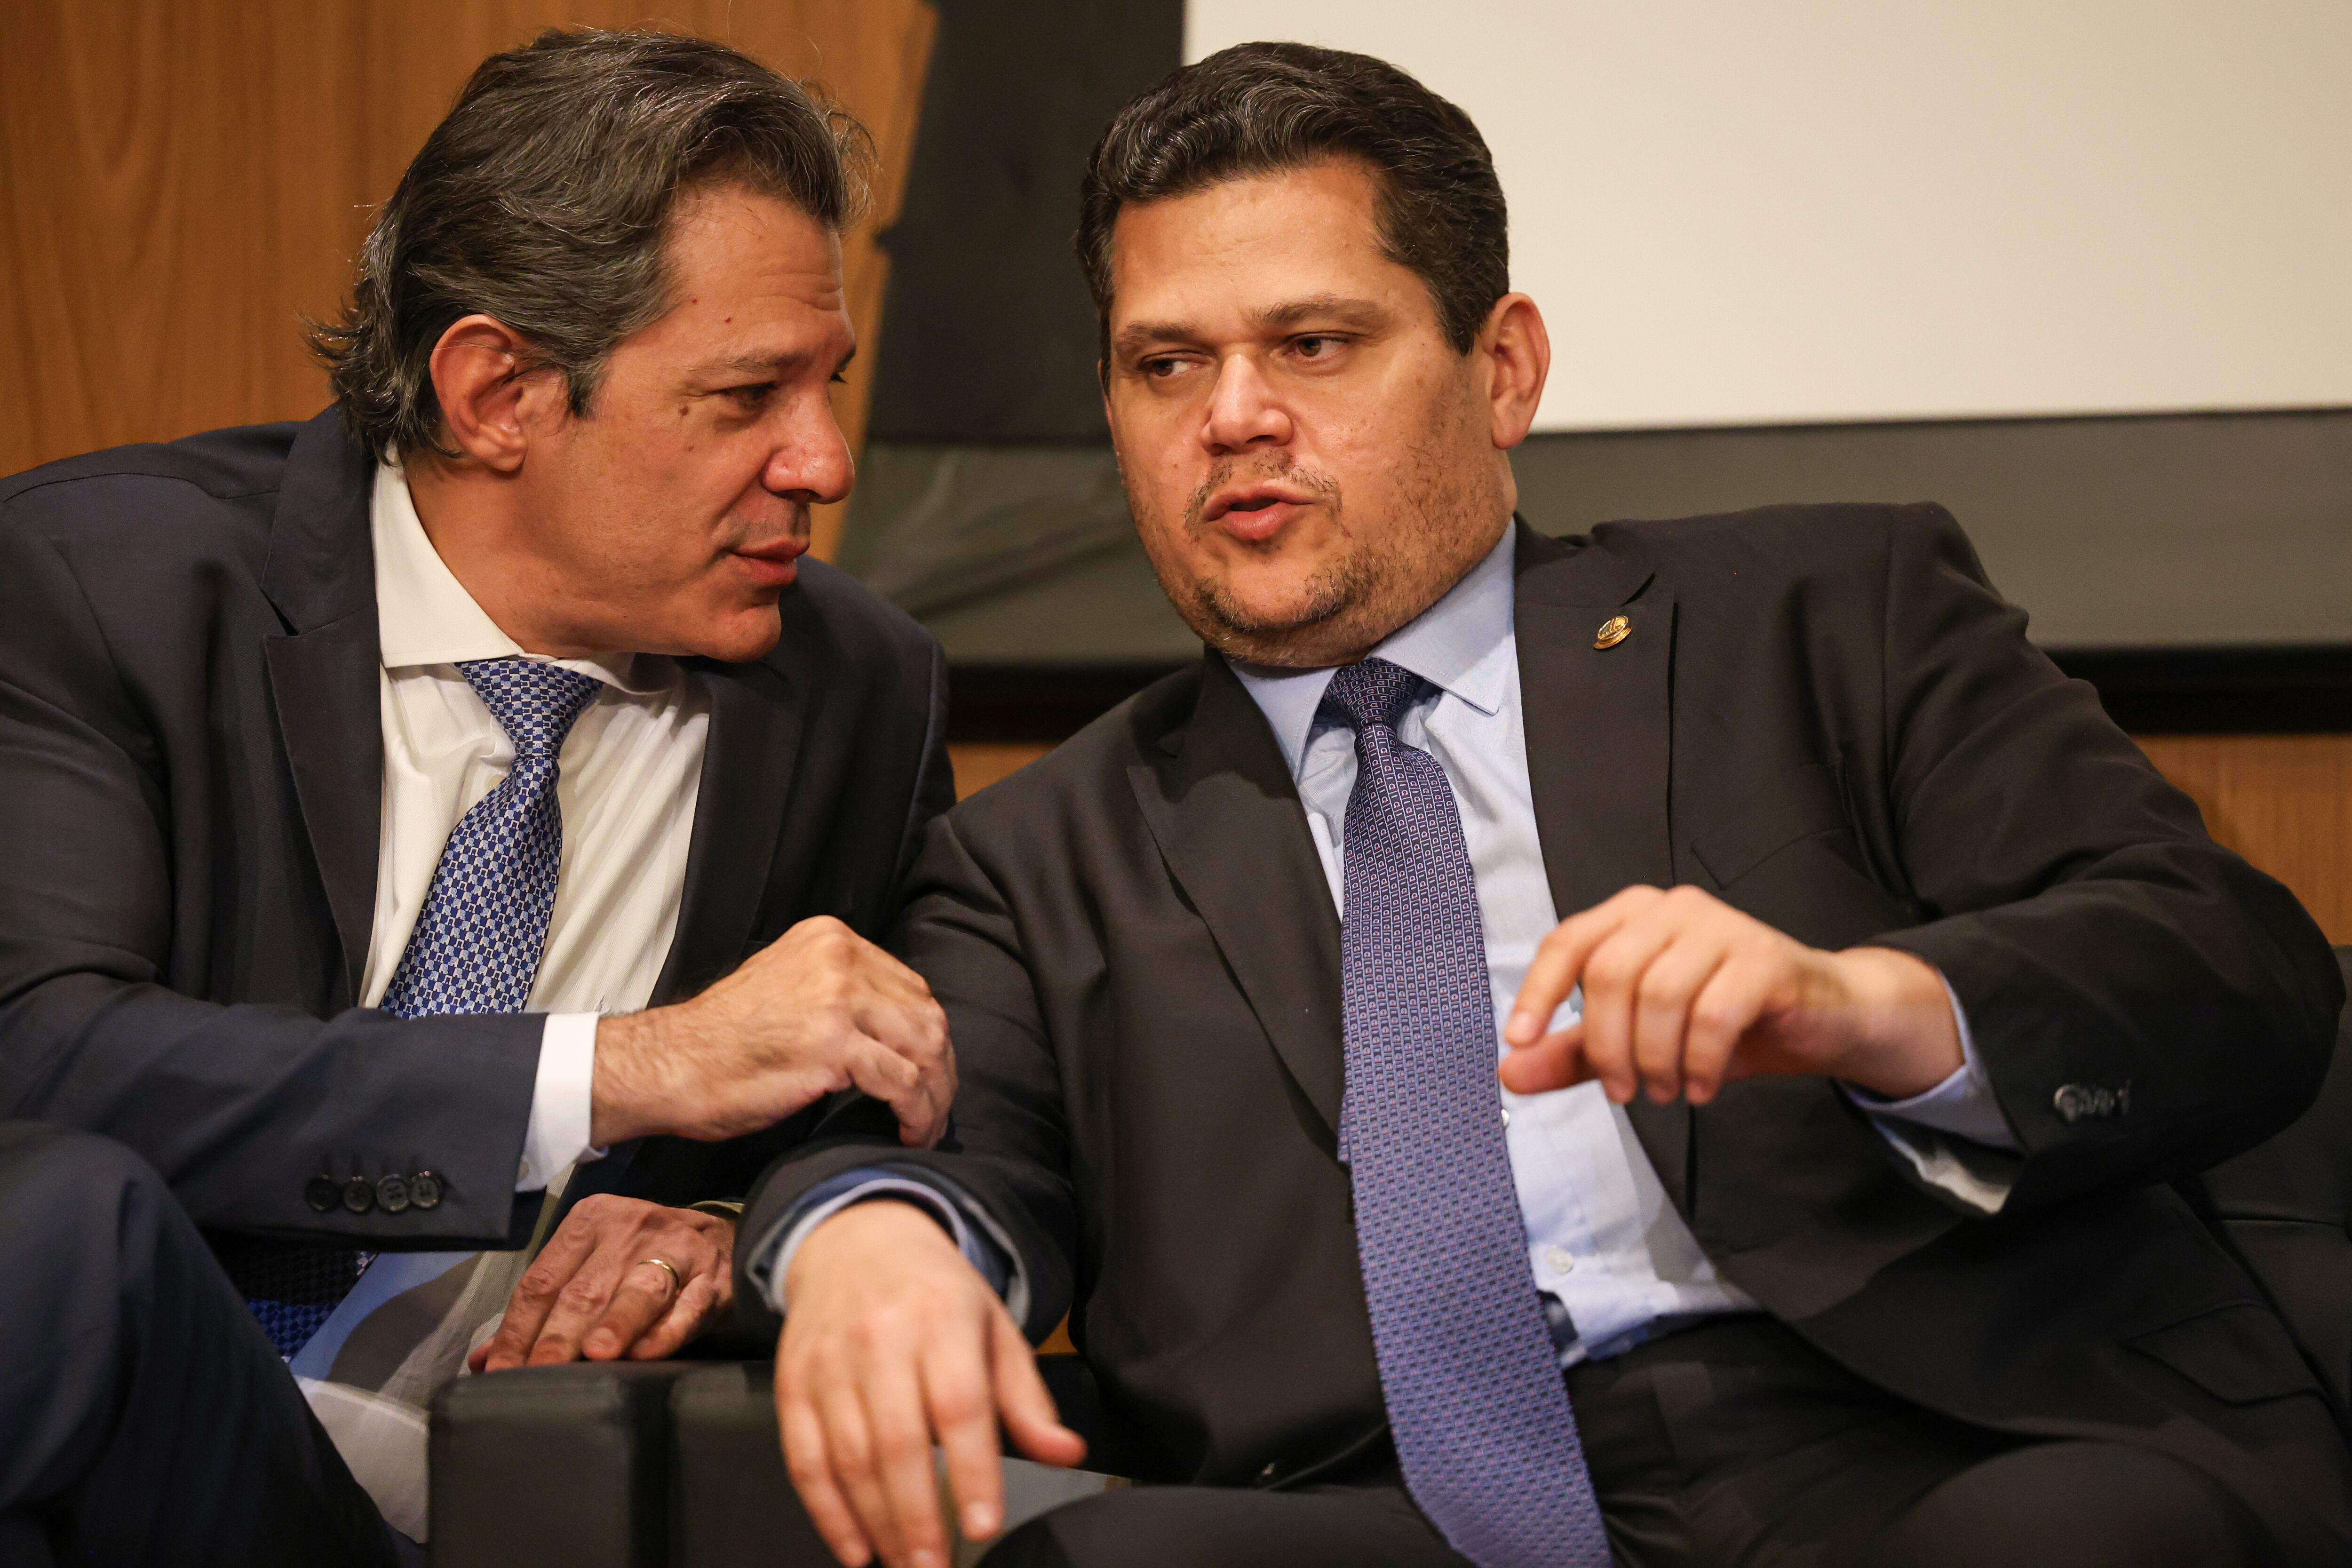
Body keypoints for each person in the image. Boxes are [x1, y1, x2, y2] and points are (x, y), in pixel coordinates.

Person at [737, 42, 2352, 1568]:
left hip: (1922, 1432)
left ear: (1500, 369)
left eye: (1312, 344)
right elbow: (932, 1138)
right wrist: (876, 1236)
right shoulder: (1038, 855)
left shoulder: (1825, 614)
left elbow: (2228, 965)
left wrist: (1871, 1006)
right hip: (1391, 1504)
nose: (1232, 415)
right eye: (1169, 363)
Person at [0, 29, 954, 1562]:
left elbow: (942, 1100)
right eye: (748, 395)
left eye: (828, 383)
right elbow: (38, 1055)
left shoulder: (851, 692)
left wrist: (728, 1222)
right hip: (129, 1437)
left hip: (480, 1502)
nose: (826, 463)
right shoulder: (102, 588)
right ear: (499, 390)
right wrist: (620, 1072)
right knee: (55, 1228)